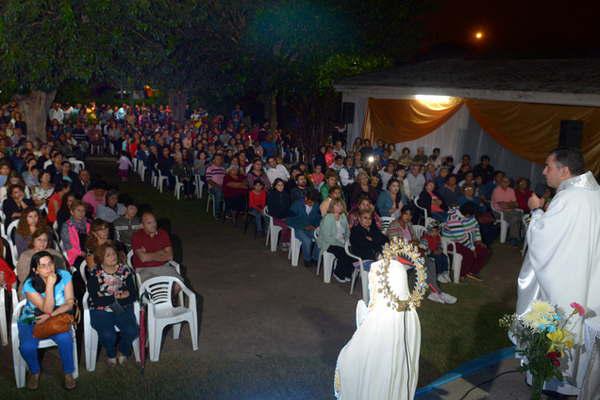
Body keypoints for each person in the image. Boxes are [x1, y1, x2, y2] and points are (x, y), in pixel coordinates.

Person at [516, 148, 600, 397]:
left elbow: (544, 242)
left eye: (548, 167)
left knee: (562, 327)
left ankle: (555, 382)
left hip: (566, 285)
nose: (544, 172)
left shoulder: (568, 199)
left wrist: (535, 211)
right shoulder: (596, 195)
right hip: (591, 283)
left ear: (564, 171)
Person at [334, 257, 420, 400]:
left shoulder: (381, 316)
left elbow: (355, 356)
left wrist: (362, 317)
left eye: (373, 284)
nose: (371, 288)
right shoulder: (411, 312)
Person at [18, 251, 76, 390]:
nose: (48, 268)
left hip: (55, 317)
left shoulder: (65, 275)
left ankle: (68, 373)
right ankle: (35, 371)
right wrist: (50, 286)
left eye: (50, 263)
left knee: (65, 339)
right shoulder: (29, 285)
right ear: (35, 270)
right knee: (27, 347)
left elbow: (69, 302)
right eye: (43, 266)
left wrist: (51, 316)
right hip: (32, 318)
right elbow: (46, 309)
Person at [86, 243, 138, 366]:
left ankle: (124, 350)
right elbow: (95, 299)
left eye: (113, 253)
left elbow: (132, 294)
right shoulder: (95, 272)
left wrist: (119, 298)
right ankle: (110, 353)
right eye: (108, 255)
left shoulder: (124, 270)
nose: (113, 257)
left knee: (132, 330)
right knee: (108, 334)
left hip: (122, 307)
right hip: (100, 309)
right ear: (101, 259)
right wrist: (117, 297)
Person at [442, 203, 490, 281]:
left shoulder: (471, 216)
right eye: (472, 215)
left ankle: (471, 271)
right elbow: (460, 238)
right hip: (452, 242)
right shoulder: (453, 219)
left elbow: (476, 228)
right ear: (467, 214)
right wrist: (472, 248)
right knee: (469, 253)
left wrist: (478, 240)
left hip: (468, 240)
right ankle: (462, 273)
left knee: (484, 251)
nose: (473, 217)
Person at [131, 211, 180, 283]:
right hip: (144, 269)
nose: (153, 225)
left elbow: (170, 256)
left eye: (154, 222)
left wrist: (148, 254)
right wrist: (161, 252)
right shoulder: (137, 236)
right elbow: (143, 258)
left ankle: (169, 294)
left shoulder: (163, 233)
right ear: (142, 225)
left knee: (178, 284)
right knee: (154, 289)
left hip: (163, 267)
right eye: (149, 223)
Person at [17, 229, 66, 295]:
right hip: (31, 287)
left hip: (54, 283)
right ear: (33, 241)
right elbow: (22, 277)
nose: (42, 242)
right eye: (39, 239)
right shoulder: (25, 256)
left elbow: (62, 272)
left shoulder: (55, 254)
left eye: (45, 240)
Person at [316, 198, 354, 282]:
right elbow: (327, 236)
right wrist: (341, 243)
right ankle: (338, 273)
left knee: (352, 252)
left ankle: (347, 273)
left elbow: (347, 231)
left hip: (340, 241)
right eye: (337, 205)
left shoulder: (343, 216)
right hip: (328, 243)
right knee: (343, 252)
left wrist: (347, 241)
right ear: (332, 206)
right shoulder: (328, 217)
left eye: (341, 205)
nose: (339, 207)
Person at [286, 190, 321, 267]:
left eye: (313, 203)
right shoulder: (296, 205)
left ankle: (315, 258)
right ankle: (307, 259)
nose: (312, 204)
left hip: (311, 228)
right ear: (305, 198)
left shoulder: (316, 205)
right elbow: (288, 220)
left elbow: (318, 219)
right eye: (310, 202)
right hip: (298, 228)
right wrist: (303, 226)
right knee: (307, 241)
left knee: (320, 239)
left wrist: (314, 226)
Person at [491, 176, 523, 245]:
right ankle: (514, 238)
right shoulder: (496, 190)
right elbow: (502, 205)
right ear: (500, 182)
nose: (506, 183)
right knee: (516, 217)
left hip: (510, 211)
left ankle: (513, 238)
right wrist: (510, 204)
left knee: (519, 217)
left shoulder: (511, 190)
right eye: (504, 181)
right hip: (499, 212)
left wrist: (508, 205)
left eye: (507, 182)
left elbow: (516, 204)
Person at [60, 200, 90, 267]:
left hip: (88, 253)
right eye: (78, 210)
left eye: (83, 210)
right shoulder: (66, 226)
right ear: (72, 212)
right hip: (75, 256)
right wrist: (80, 253)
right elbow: (68, 247)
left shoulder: (88, 224)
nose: (81, 213)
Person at [266, 178, 291, 249]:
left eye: (282, 185)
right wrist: (281, 217)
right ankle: (283, 241)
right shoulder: (272, 195)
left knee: (292, 224)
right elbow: (271, 209)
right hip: (275, 217)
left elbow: (288, 206)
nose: (280, 187)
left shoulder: (286, 194)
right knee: (285, 226)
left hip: (285, 216)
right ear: (275, 186)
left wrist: (287, 216)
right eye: (278, 185)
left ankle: (288, 240)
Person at [206, 154, 226, 219]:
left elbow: (225, 179)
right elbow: (209, 180)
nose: (219, 160)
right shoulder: (210, 168)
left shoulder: (223, 169)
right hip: (213, 187)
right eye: (217, 159)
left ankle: (228, 211)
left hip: (222, 187)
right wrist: (218, 186)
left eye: (220, 159)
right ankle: (217, 213)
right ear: (213, 160)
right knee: (219, 191)